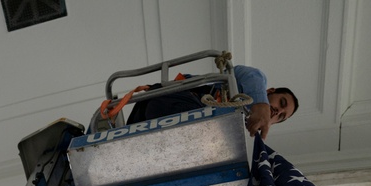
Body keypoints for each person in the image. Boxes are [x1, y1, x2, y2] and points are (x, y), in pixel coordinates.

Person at [126, 65, 298, 140]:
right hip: (170, 102)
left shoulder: (244, 133)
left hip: (152, 129)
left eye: (281, 116)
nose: (277, 112)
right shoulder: (244, 85)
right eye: (281, 103)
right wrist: (261, 105)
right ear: (270, 91)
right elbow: (252, 74)